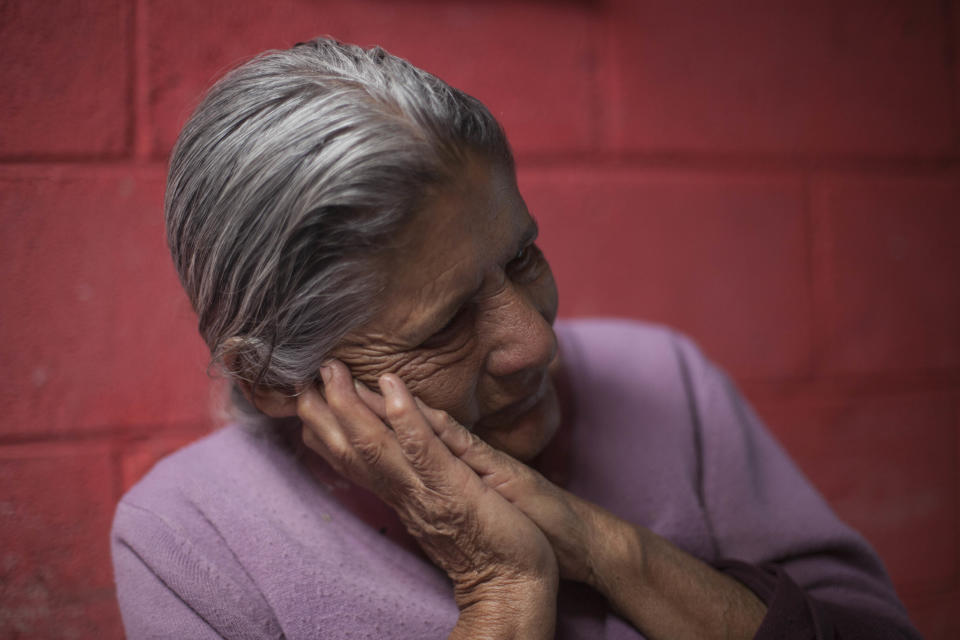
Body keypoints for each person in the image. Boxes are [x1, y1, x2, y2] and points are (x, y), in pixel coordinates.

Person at [111, 37, 921, 639]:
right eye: (446, 324)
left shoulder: (666, 378)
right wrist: (501, 588)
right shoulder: (189, 540)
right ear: (275, 381)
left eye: (523, 257)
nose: (535, 343)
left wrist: (610, 552)